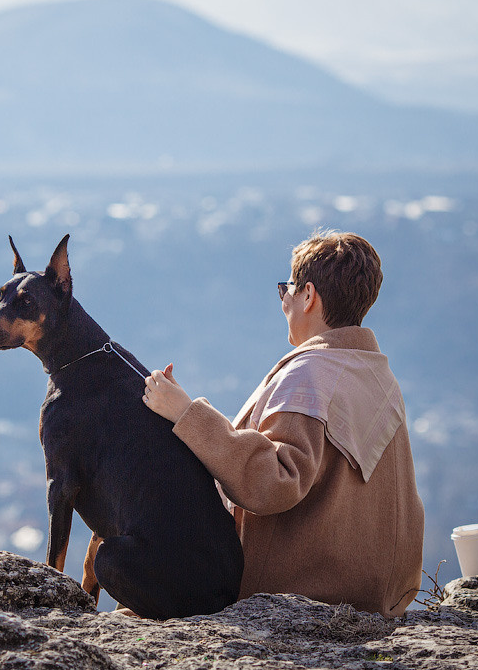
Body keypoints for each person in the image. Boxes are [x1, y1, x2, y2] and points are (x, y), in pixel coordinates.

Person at [142, 229, 425, 617]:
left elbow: (274, 482)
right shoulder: (377, 375)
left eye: (286, 290)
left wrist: (186, 414)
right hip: (376, 594)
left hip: (305, 594)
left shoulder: (311, 374)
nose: (284, 302)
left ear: (309, 295)